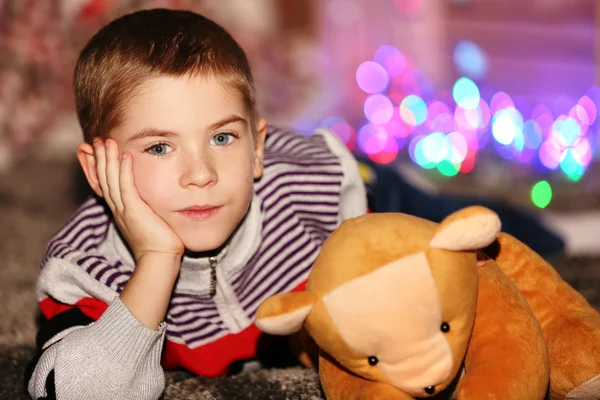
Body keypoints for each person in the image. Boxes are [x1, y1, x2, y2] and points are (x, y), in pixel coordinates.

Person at [24, 8, 367, 400]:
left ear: (256, 150)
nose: (201, 173)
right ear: (99, 170)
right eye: (159, 147)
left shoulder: (317, 184)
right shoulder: (85, 267)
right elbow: (71, 393)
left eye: (222, 138)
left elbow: (400, 262)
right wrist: (156, 258)